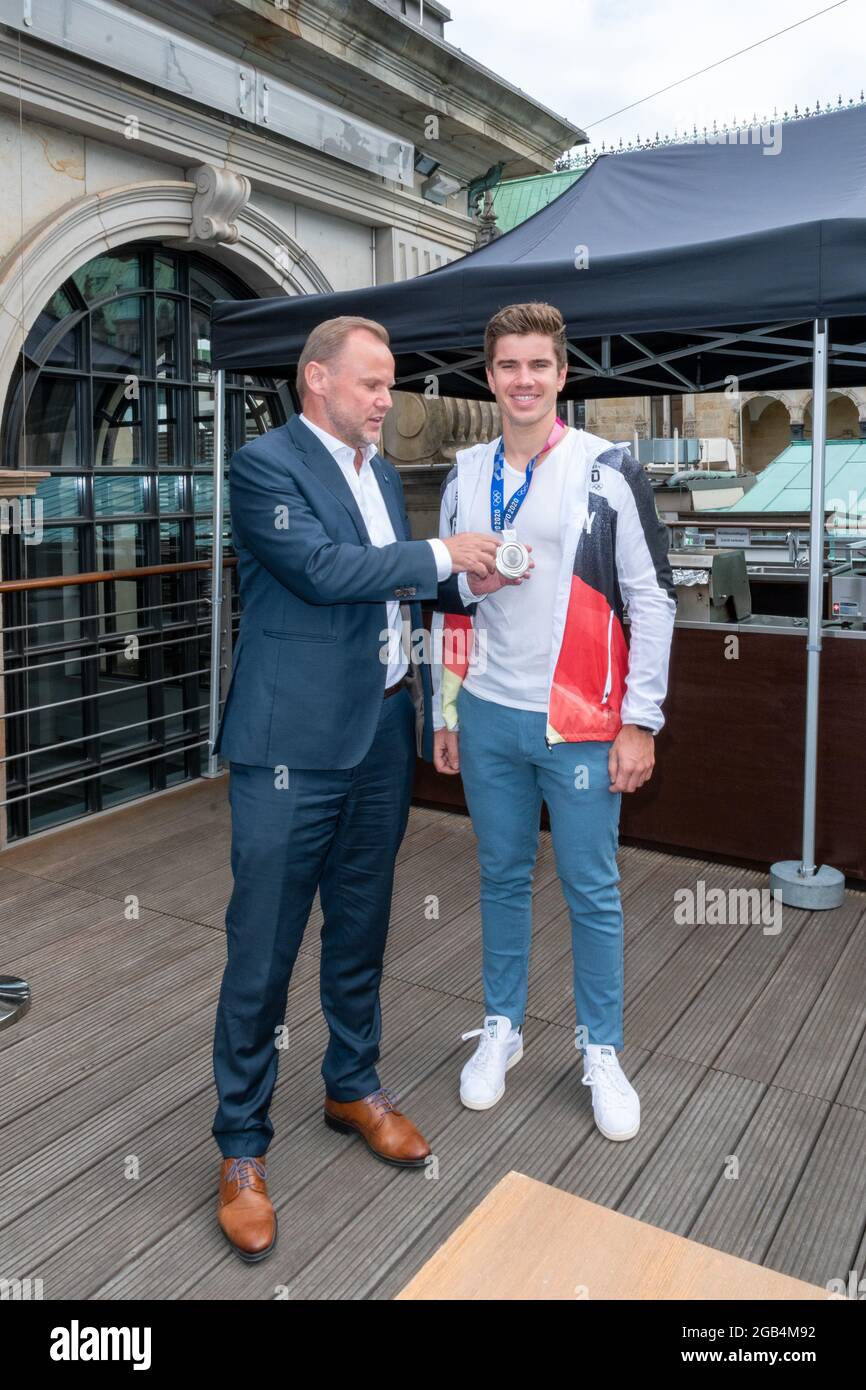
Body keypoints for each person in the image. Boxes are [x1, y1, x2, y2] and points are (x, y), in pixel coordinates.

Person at [210, 315, 503, 1261]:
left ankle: (351, 1086)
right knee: (263, 950)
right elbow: (325, 571)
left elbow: (396, 583)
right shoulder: (266, 468)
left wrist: (470, 582)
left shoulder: (377, 471)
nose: (388, 401)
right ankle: (242, 1150)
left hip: (379, 732)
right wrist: (442, 555)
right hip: (289, 747)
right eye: (372, 384)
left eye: (390, 386)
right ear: (317, 383)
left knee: (363, 923)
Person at [432, 301, 677, 1141]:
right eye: (508, 366)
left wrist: (640, 721)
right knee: (499, 877)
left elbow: (653, 598)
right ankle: (502, 1028)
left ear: (561, 374)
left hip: (580, 717)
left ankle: (601, 1050)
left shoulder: (610, 467)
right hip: (491, 712)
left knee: (592, 890)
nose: (523, 380)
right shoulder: (465, 472)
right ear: (489, 376)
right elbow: (448, 598)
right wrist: (447, 704)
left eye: (539, 364)